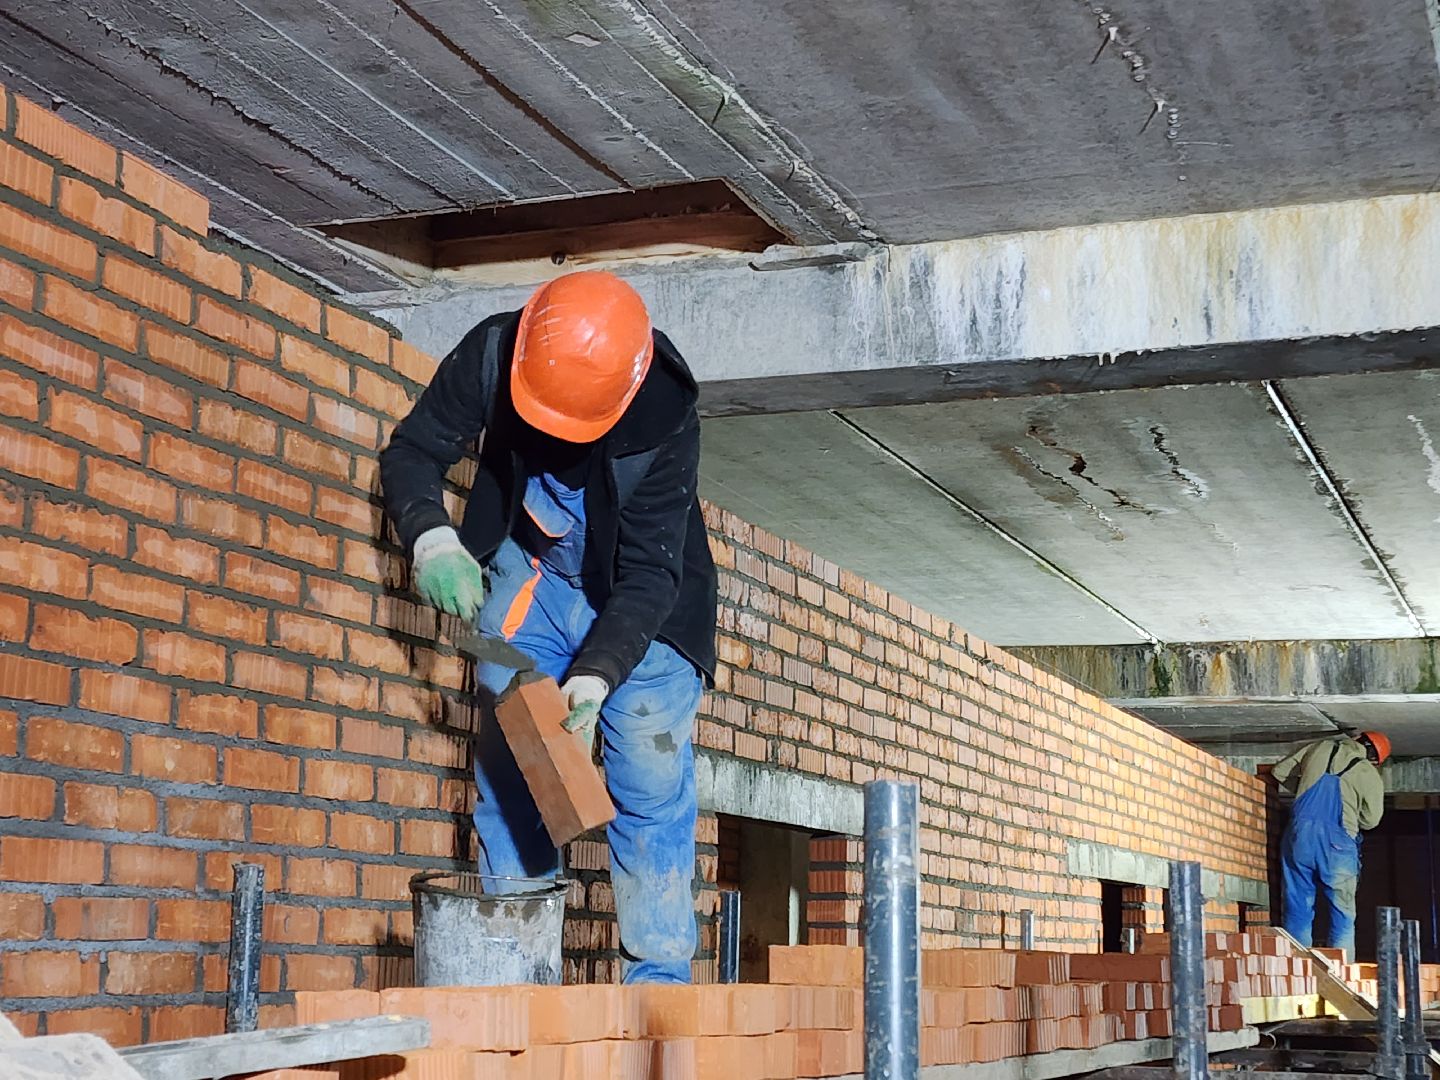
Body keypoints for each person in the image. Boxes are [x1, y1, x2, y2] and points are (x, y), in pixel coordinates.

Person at [378, 270, 717, 984]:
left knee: (645, 781)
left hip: (641, 608)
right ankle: (517, 981)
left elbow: (651, 576)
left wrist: (594, 677)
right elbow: (413, 451)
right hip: (535, 574)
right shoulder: (499, 353)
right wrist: (431, 537)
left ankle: (657, 992)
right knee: (516, 767)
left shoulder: (665, 417)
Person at [1272, 731, 1390, 958]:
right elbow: (1372, 820)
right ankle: (1341, 974)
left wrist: (1301, 789)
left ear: (1357, 739)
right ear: (1375, 759)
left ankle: (1298, 971)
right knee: (1342, 913)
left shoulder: (1319, 746)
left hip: (1300, 837)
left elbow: (1280, 772)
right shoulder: (1366, 771)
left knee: (1298, 907)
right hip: (1337, 845)